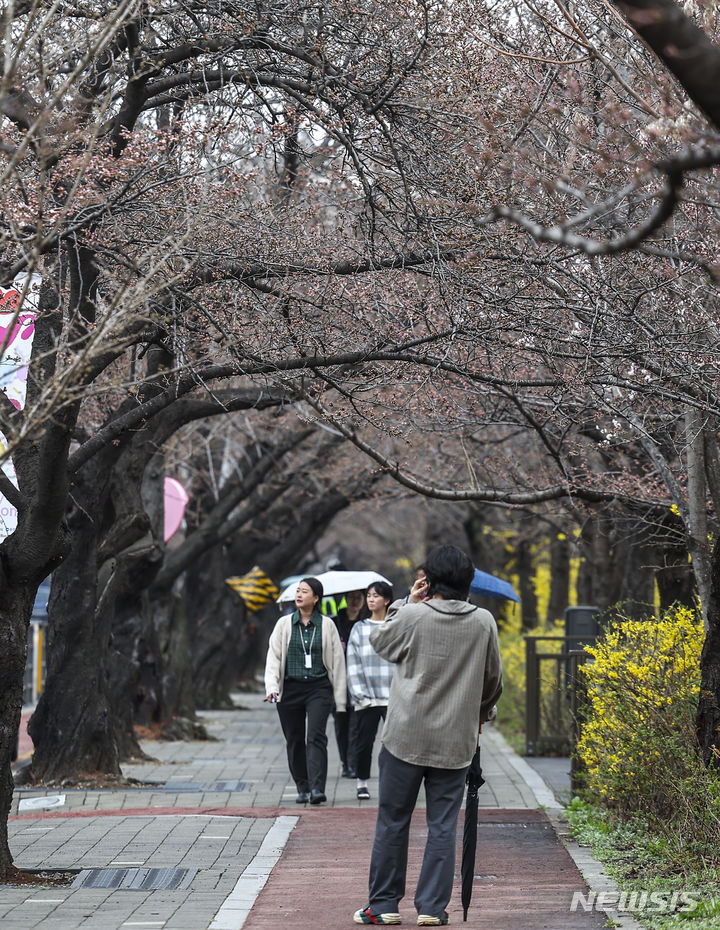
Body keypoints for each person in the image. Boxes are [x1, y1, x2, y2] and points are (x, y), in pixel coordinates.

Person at [353, 545, 503, 927]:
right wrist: (482, 714)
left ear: (429, 580)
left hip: (404, 736)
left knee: (393, 820)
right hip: (455, 742)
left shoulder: (414, 615)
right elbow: (492, 682)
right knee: (442, 826)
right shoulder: (484, 621)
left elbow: (381, 642)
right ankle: (432, 909)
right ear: (469, 582)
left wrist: (406, 601)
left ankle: (384, 905)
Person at [265, 577, 346, 805]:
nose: (299, 595)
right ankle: (303, 785)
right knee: (294, 739)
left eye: (305, 591)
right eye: (297, 591)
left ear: (316, 598)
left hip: (318, 688)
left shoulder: (327, 625)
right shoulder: (284, 624)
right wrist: (272, 687)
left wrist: (340, 702)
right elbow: (273, 658)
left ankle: (317, 788)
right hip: (289, 689)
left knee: (316, 737)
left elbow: (338, 664)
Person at [346, 581, 395, 801]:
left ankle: (393, 783)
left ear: (387, 600)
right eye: (369, 595)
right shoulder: (360, 628)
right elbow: (353, 663)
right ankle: (362, 782)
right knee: (363, 742)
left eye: (376, 596)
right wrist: (360, 695)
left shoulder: (395, 626)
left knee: (395, 744)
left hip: (395, 697)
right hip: (367, 698)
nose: (371, 599)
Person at [333, 588, 366, 777]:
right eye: (351, 598)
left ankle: (353, 764)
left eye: (358, 598)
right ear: (346, 599)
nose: (355, 601)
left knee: (356, 725)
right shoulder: (335, 622)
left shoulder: (364, 623)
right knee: (341, 725)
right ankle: (345, 762)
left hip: (359, 680)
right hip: (338, 681)